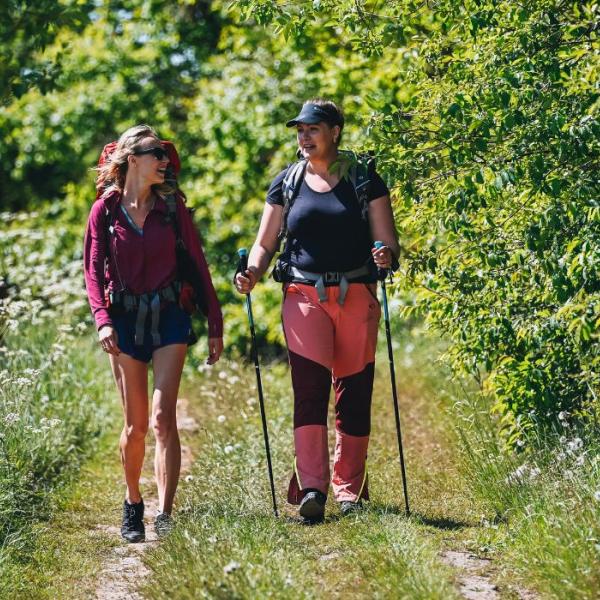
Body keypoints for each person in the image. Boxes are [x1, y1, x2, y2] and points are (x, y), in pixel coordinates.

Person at [234, 99, 399, 523]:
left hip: (357, 293)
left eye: (313, 129)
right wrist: (252, 271)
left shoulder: (365, 180)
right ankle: (312, 488)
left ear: (335, 131)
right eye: (300, 130)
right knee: (309, 390)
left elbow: (388, 241)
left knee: (354, 392)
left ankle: (351, 490)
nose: (304, 137)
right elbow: (266, 241)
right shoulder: (286, 182)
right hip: (303, 294)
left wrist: (386, 257)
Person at [83, 125, 223, 542]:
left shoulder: (172, 208)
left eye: (165, 154)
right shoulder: (104, 211)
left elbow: (197, 263)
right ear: (132, 160)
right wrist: (102, 319)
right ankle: (132, 503)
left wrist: (214, 322)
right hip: (123, 321)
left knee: (164, 419)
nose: (164, 160)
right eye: (155, 153)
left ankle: (165, 513)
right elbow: (93, 271)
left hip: (168, 317)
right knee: (136, 425)